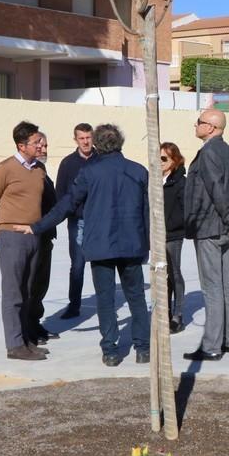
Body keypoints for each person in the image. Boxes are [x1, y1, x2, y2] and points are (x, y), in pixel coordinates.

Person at [18, 124, 150, 367]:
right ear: (120, 142)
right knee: (136, 297)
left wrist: (37, 226)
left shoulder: (90, 172)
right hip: (132, 244)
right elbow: (147, 211)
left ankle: (110, 350)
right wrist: (147, 245)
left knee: (105, 299)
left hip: (101, 245)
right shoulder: (138, 170)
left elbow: (67, 203)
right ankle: (143, 348)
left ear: (97, 144)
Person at [183, 109, 229, 362]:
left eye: (199, 122)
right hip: (226, 228)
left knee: (212, 287)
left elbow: (215, 190)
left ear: (210, 127)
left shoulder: (209, 153)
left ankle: (211, 346)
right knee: (227, 283)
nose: (195, 125)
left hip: (211, 228)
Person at [0, 121, 49, 361]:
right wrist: (0, 226)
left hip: (34, 236)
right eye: (36, 142)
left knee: (29, 291)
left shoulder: (39, 169)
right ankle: (14, 345)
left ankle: (26, 340)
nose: (41, 145)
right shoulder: (4, 169)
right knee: (13, 293)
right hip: (12, 238)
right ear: (22, 145)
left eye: (41, 141)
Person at [55, 123, 97, 319]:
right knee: (78, 265)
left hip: (99, 221)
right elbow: (61, 193)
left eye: (88, 137)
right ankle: (74, 305)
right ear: (76, 140)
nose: (85, 142)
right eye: (82, 138)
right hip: (77, 221)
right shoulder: (68, 163)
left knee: (102, 265)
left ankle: (106, 306)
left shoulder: (101, 159)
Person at [28, 132, 60, 345]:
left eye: (46, 146)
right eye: (40, 146)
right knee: (30, 286)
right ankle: (27, 329)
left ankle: (35, 323)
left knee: (41, 284)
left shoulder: (41, 170)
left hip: (46, 236)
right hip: (32, 237)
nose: (44, 150)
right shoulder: (24, 172)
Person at [161, 142, 187, 333]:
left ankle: (178, 315)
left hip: (173, 235)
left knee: (174, 272)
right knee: (162, 275)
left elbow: (185, 210)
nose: (160, 162)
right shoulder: (154, 180)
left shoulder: (180, 182)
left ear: (174, 160)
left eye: (164, 158)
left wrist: (170, 224)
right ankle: (165, 311)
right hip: (157, 236)